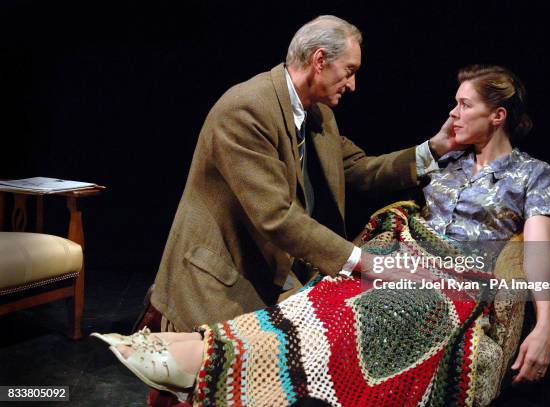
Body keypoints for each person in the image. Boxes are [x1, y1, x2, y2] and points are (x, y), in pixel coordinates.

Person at [93, 64, 550, 406]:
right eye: (455, 103)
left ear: (498, 115)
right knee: (324, 297)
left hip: (455, 270)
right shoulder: (449, 160)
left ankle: (203, 359)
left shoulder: (532, 174)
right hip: (403, 247)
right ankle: (203, 347)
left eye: (464, 105)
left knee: (375, 308)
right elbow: (365, 175)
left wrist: (546, 325)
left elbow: (543, 251)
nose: (453, 113)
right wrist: (434, 151)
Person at [148, 14, 455, 334]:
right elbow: (276, 216)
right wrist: (365, 263)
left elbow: (360, 169)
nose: (352, 85)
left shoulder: (318, 113)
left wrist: (436, 147)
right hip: (224, 279)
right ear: (319, 60)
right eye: (349, 71)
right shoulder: (246, 109)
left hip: (278, 269)